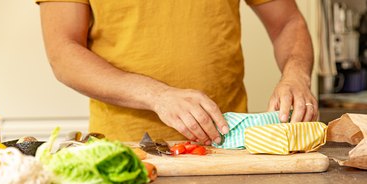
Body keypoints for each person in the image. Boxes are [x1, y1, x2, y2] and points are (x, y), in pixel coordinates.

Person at [35, 0, 317, 145]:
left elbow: (288, 23)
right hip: (127, 149)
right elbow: (63, 52)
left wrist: (295, 75)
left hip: (226, 146)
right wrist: (157, 96)